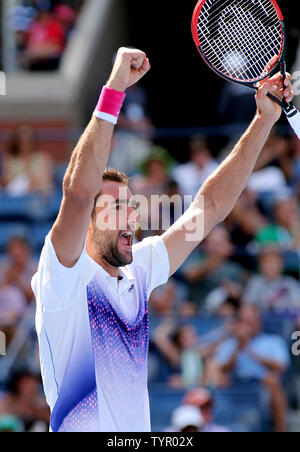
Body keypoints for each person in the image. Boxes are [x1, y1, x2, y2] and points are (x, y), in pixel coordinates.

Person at [31, 47, 294, 432]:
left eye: (132, 206)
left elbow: (211, 207)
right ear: (87, 222)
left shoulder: (140, 266)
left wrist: (263, 120)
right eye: (115, 207)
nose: (131, 216)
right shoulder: (64, 275)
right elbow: (78, 193)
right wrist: (115, 89)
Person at [214, 305, 290, 432]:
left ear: (259, 322)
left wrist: (249, 349)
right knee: (220, 380)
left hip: (261, 383)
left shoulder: (273, 341)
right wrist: (238, 347)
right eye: (245, 321)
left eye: (252, 321)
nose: (248, 325)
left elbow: (281, 366)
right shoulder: (230, 344)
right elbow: (222, 368)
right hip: (236, 384)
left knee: (272, 381)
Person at [244, 247, 300, 314]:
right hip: (261, 319)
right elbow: (247, 305)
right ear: (260, 266)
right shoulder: (255, 282)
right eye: (266, 263)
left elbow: (297, 303)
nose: (270, 266)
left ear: (281, 265)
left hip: (286, 319)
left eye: (274, 263)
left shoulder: (289, 282)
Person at [2, 124, 53, 196]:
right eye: (21, 137)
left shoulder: (44, 157)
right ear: (15, 140)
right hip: (16, 199)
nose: (25, 141)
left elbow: (47, 183)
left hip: (39, 198)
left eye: (29, 138)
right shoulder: (9, 159)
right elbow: (7, 183)